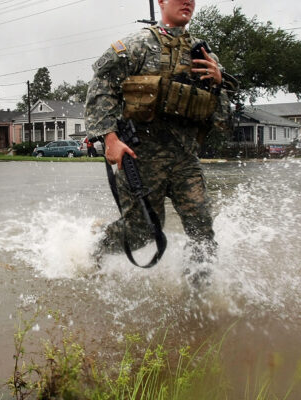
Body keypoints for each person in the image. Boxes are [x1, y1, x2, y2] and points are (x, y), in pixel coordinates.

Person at [85, 0, 232, 266]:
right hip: (141, 157)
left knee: (203, 232)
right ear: (161, 2)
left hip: (185, 160)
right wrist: (110, 138)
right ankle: (94, 249)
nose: (188, 1)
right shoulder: (136, 45)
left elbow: (221, 120)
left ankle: (199, 300)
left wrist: (219, 85)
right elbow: (101, 88)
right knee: (142, 233)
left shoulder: (204, 57)